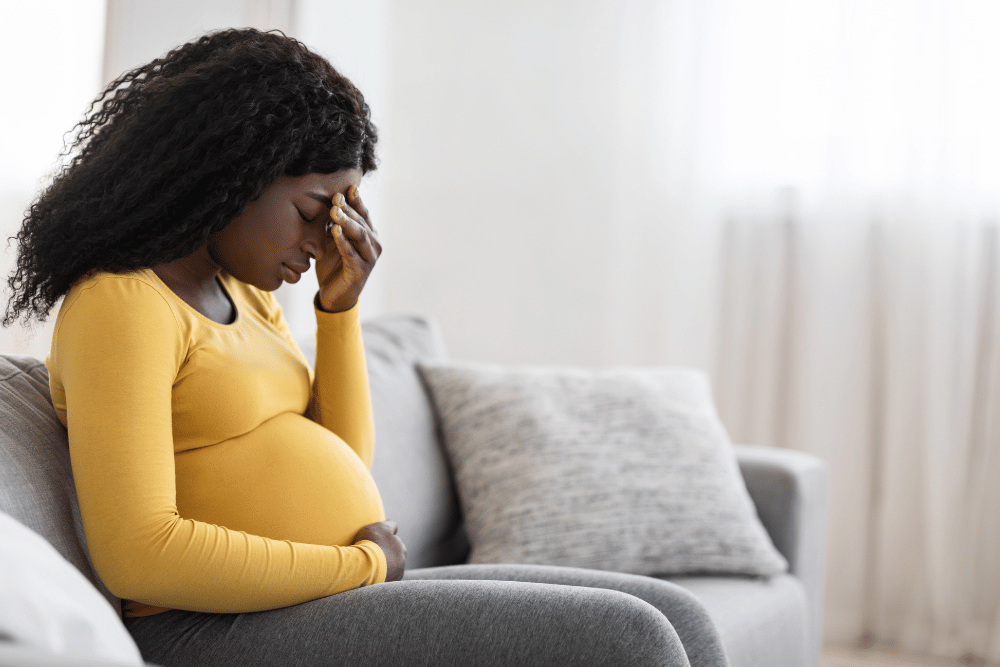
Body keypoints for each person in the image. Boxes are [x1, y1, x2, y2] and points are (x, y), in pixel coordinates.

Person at [4, 28, 690, 666]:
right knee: (633, 639)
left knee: (674, 615)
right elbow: (140, 554)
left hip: (314, 596)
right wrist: (361, 565)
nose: (325, 239)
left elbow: (345, 457)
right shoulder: (122, 304)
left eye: (343, 212)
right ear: (227, 175)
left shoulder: (247, 295)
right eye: (312, 210)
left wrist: (338, 310)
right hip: (196, 625)